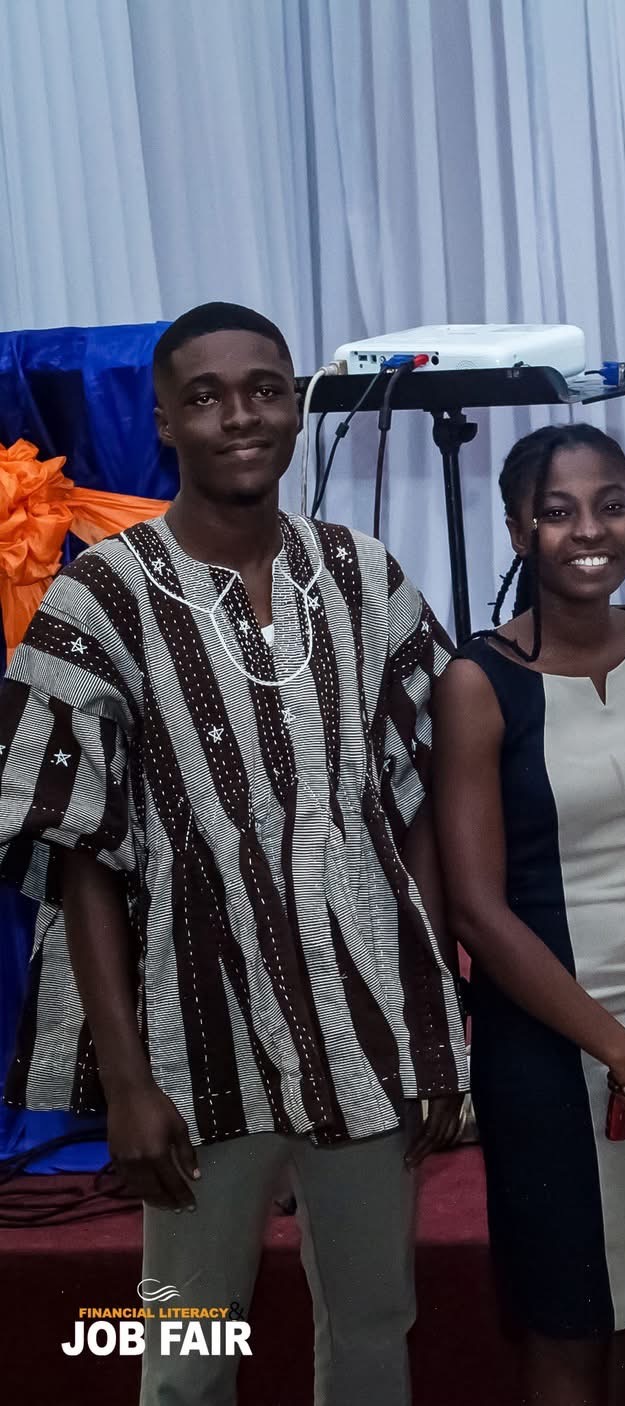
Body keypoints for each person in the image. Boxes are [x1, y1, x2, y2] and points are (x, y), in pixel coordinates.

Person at [0, 302, 466, 1405]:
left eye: (264, 389)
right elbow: (79, 856)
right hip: (191, 1041)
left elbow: (418, 808)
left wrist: (434, 1021)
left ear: (297, 405)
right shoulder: (99, 596)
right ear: (165, 421)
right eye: (205, 398)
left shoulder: (362, 574)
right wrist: (126, 1084)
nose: (240, 416)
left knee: (374, 1330)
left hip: (365, 1029)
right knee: (187, 1356)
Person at [434, 424, 625, 1405]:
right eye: (558, 512)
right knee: (567, 1327)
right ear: (518, 529)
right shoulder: (478, 683)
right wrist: (620, 1050)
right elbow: (476, 910)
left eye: (611, 504)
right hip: (550, 1049)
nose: (590, 530)